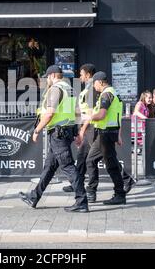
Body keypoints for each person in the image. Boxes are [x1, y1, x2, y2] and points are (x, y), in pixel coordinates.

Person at [19, 65, 89, 213]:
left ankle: (82, 201)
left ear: (51, 76)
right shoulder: (70, 89)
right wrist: (76, 133)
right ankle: (34, 196)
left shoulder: (56, 89)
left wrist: (37, 130)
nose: (46, 80)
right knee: (49, 167)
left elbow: (50, 113)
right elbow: (77, 113)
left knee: (68, 166)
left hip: (58, 133)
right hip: (66, 131)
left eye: (46, 77)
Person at [85, 71, 128, 205]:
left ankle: (95, 192)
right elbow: (117, 116)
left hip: (105, 134)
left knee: (97, 161)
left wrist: (89, 117)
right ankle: (121, 188)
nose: (94, 86)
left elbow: (102, 115)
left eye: (94, 83)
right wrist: (119, 135)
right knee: (110, 162)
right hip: (110, 133)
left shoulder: (106, 94)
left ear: (100, 82)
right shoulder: (114, 93)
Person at [62, 63, 98, 193]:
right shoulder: (88, 88)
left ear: (88, 75)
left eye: (81, 74)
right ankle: (77, 183)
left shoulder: (91, 89)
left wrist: (82, 130)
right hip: (87, 126)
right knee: (82, 157)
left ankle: (126, 180)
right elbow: (83, 109)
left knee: (101, 157)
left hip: (91, 127)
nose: (80, 76)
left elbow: (91, 112)